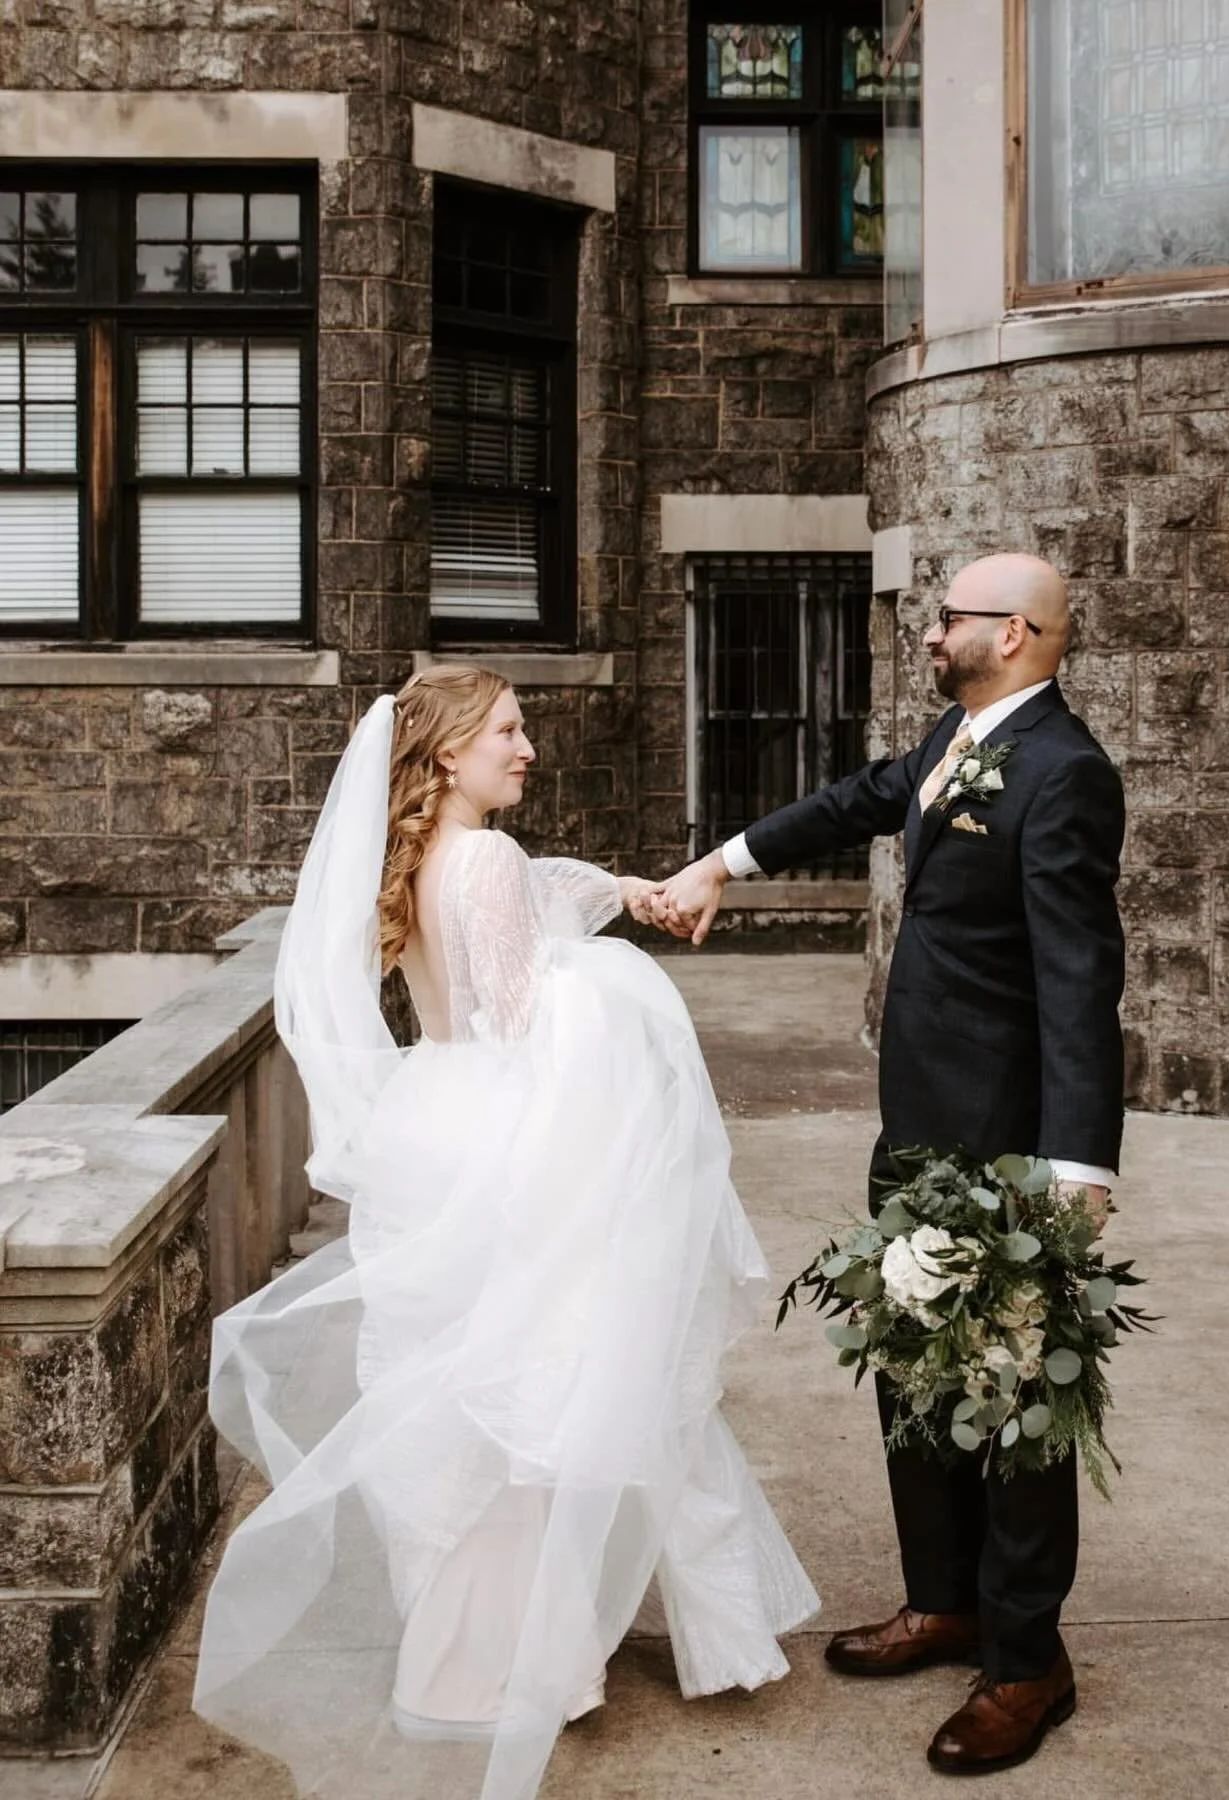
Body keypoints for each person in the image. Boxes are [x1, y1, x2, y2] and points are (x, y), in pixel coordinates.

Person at [193, 666, 817, 1800]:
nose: (529, 748)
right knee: (541, 1388)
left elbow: (547, 897)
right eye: (508, 732)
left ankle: (488, 1649)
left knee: (479, 1393)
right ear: (445, 755)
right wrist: (625, 994)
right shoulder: (480, 859)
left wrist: (621, 893)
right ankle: (499, 1665)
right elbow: (536, 1025)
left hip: (441, 1116)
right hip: (511, 1135)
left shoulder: (442, 859)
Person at [652, 552, 1126, 1777]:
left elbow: (1081, 977)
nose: (930, 632)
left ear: (1015, 633)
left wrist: (1077, 1160)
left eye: (951, 617)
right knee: (916, 1373)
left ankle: (1026, 1663)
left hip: (1006, 1142)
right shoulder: (950, 736)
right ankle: (943, 1601)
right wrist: (722, 862)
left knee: (1017, 1394)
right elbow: (854, 799)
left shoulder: (1065, 774)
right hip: (914, 1128)